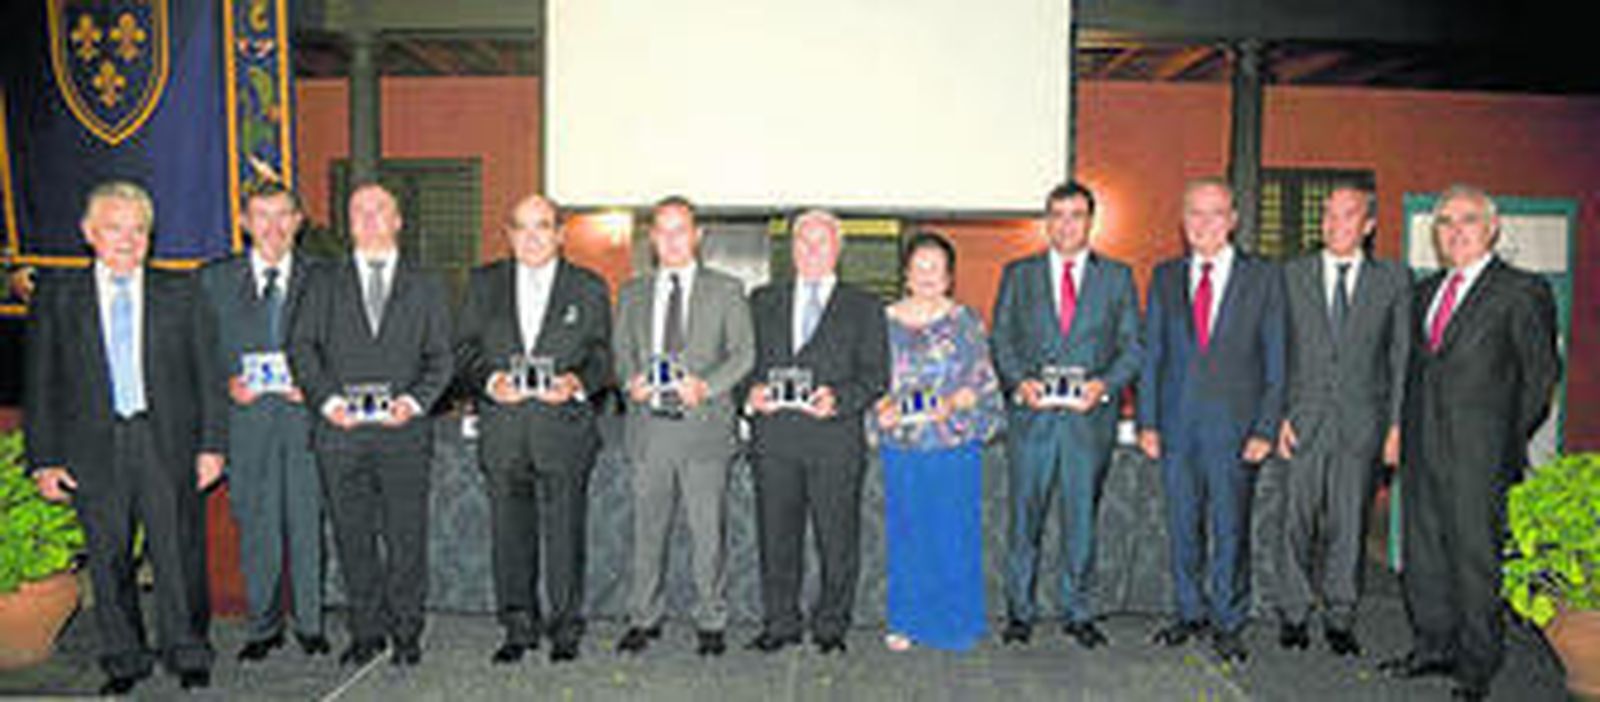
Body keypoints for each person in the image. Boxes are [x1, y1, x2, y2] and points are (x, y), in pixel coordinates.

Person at [24, 181, 226, 693]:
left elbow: (209, 375)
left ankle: (188, 651)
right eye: (115, 228)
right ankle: (124, 660)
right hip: (93, 450)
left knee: (178, 554)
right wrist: (44, 460)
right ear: (89, 233)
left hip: (167, 443)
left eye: (139, 230)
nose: (128, 240)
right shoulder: (58, 297)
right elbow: (40, 383)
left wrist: (213, 446)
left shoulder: (182, 291)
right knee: (108, 558)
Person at [1380, 185, 1560, 701]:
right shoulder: (1423, 293)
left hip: (1480, 455)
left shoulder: (1521, 291)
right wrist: (1400, 432)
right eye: (1445, 222)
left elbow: (1540, 377)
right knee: (1425, 554)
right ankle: (1432, 646)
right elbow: (1413, 373)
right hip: (1422, 448)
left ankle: (1477, 664)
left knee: (1475, 559)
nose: (1455, 231)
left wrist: (1501, 438)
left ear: (1492, 228)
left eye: (1468, 220)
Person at [287, 183, 454, 668]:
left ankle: (406, 632)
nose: (369, 218)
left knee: (406, 539)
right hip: (340, 433)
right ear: (349, 222)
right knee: (352, 537)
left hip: (404, 434)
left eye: (380, 209)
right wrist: (327, 402)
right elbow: (301, 347)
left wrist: (414, 402)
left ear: (398, 220)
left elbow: (442, 358)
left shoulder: (427, 283)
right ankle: (366, 631)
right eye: (359, 210)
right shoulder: (322, 280)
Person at [455, 194, 612, 664]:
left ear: (560, 234)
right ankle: (518, 626)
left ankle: (565, 627)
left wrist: (576, 383)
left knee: (566, 535)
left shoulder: (587, 286)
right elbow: (462, 351)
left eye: (542, 226)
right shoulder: (483, 283)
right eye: (521, 227)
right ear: (508, 235)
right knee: (509, 536)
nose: (531, 237)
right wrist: (490, 381)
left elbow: (603, 356)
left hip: (563, 431)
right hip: (503, 431)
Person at [1138, 177, 1286, 665]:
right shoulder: (1164, 277)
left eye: (1215, 213)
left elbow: (1277, 359)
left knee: (1230, 529)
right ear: (1183, 221)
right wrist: (1148, 422)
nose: (1204, 223)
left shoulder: (1263, 277)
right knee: (1182, 526)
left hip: (1237, 431)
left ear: (1233, 220)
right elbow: (1152, 354)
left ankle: (1228, 621)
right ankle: (1189, 612)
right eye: (1195, 213)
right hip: (1176, 429)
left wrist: (1266, 427)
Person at [990, 181, 1142, 648]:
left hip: (1087, 423)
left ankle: (1079, 613)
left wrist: (1104, 386)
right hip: (1032, 421)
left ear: (1090, 222)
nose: (1066, 225)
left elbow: (1133, 347)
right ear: (1046, 222)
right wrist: (1020, 382)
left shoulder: (1116, 277)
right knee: (1024, 521)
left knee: (1081, 522)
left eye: (1075, 215)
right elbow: (1002, 339)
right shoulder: (1019, 274)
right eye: (1056, 215)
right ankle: (1020, 612)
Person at [612, 196, 754, 657]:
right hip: (649, 430)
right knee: (646, 533)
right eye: (662, 231)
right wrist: (629, 382)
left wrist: (707, 387)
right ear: (652, 238)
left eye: (680, 230)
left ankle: (711, 619)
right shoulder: (632, 292)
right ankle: (643, 617)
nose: (671, 240)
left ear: (697, 236)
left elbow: (744, 354)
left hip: (704, 430)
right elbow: (620, 354)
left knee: (708, 534)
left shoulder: (727, 290)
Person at [744, 209, 889, 655]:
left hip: (835, 441)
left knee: (837, 541)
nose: (810, 250)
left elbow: (876, 375)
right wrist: (749, 394)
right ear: (791, 248)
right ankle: (780, 622)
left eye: (821, 242)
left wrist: (839, 398)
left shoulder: (865, 306)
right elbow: (741, 364)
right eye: (802, 241)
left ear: (838, 249)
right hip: (775, 441)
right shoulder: (761, 300)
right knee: (775, 539)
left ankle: (831, 626)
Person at [1274, 186, 1410, 657]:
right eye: (1328, 215)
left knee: (1349, 524)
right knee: (1294, 522)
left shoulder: (1393, 280)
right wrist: (1278, 416)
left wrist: (1395, 426)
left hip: (1362, 424)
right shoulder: (1292, 274)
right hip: (1301, 421)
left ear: (1368, 225)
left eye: (1347, 216)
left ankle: (1340, 615)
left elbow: (1400, 358)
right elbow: (1277, 352)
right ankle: (1293, 613)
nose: (1334, 224)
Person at [200, 183, 331, 662]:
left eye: (283, 215)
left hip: (306, 423)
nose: (273, 227)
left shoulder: (327, 278)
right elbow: (196, 356)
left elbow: (345, 347)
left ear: (299, 221)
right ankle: (263, 626)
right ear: (244, 223)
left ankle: (311, 623)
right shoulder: (213, 280)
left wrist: (318, 386)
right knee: (256, 527)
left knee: (307, 525)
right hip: (246, 424)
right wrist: (225, 385)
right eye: (261, 215)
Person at [872, 231, 1001, 652]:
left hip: (952, 444)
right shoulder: (881, 322)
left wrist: (952, 402)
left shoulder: (966, 322)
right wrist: (882, 407)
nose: (927, 275)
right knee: (908, 535)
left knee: (954, 533)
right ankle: (906, 621)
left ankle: (956, 620)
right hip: (903, 446)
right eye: (920, 266)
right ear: (906, 274)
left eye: (936, 268)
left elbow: (982, 382)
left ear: (949, 277)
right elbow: (869, 380)